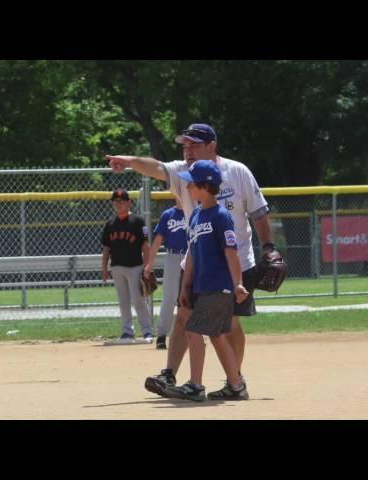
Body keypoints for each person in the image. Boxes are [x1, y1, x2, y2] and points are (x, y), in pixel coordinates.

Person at [106, 123, 275, 396]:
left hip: (234, 265)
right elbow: (156, 167)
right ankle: (170, 375)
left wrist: (268, 248)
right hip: (197, 262)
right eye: (185, 145)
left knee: (228, 324)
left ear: (212, 146)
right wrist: (129, 162)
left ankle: (234, 379)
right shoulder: (184, 174)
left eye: (194, 144)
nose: (188, 150)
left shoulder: (237, 172)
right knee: (184, 317)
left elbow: (258, 213)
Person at [161, 160, 249, 401]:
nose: (187, 189)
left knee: (194, 329)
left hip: (218, 284)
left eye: (191, 185)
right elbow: (191, 253)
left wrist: (238, 282)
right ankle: (236, 385)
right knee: (217, 335)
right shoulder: (197, 214)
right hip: (201, 283)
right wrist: (185, 284)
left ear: (204, 186)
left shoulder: (221, 216)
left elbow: (231, 252)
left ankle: (196, 385)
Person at [101, 188, 154, 342]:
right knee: (123, 300)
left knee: (138, 300)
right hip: (117, 267)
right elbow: (106, 248)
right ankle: (127, 331)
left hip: (135, 266)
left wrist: (147, 266)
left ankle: (147, 331)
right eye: (116, 202)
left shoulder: (137, 222)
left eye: (122, 201)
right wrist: (104, 268)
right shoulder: (110, 224)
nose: (118, 204)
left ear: (129, 202)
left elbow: (145, 245)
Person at [143, 198, 188, 350]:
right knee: (169, 297)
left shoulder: (195, 211)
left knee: (193, 295)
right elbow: (157, 241)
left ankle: (195, 333)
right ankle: (162, 334)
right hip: (172, 257)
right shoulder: (168, 215)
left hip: (192, 256)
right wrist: (149, 263)